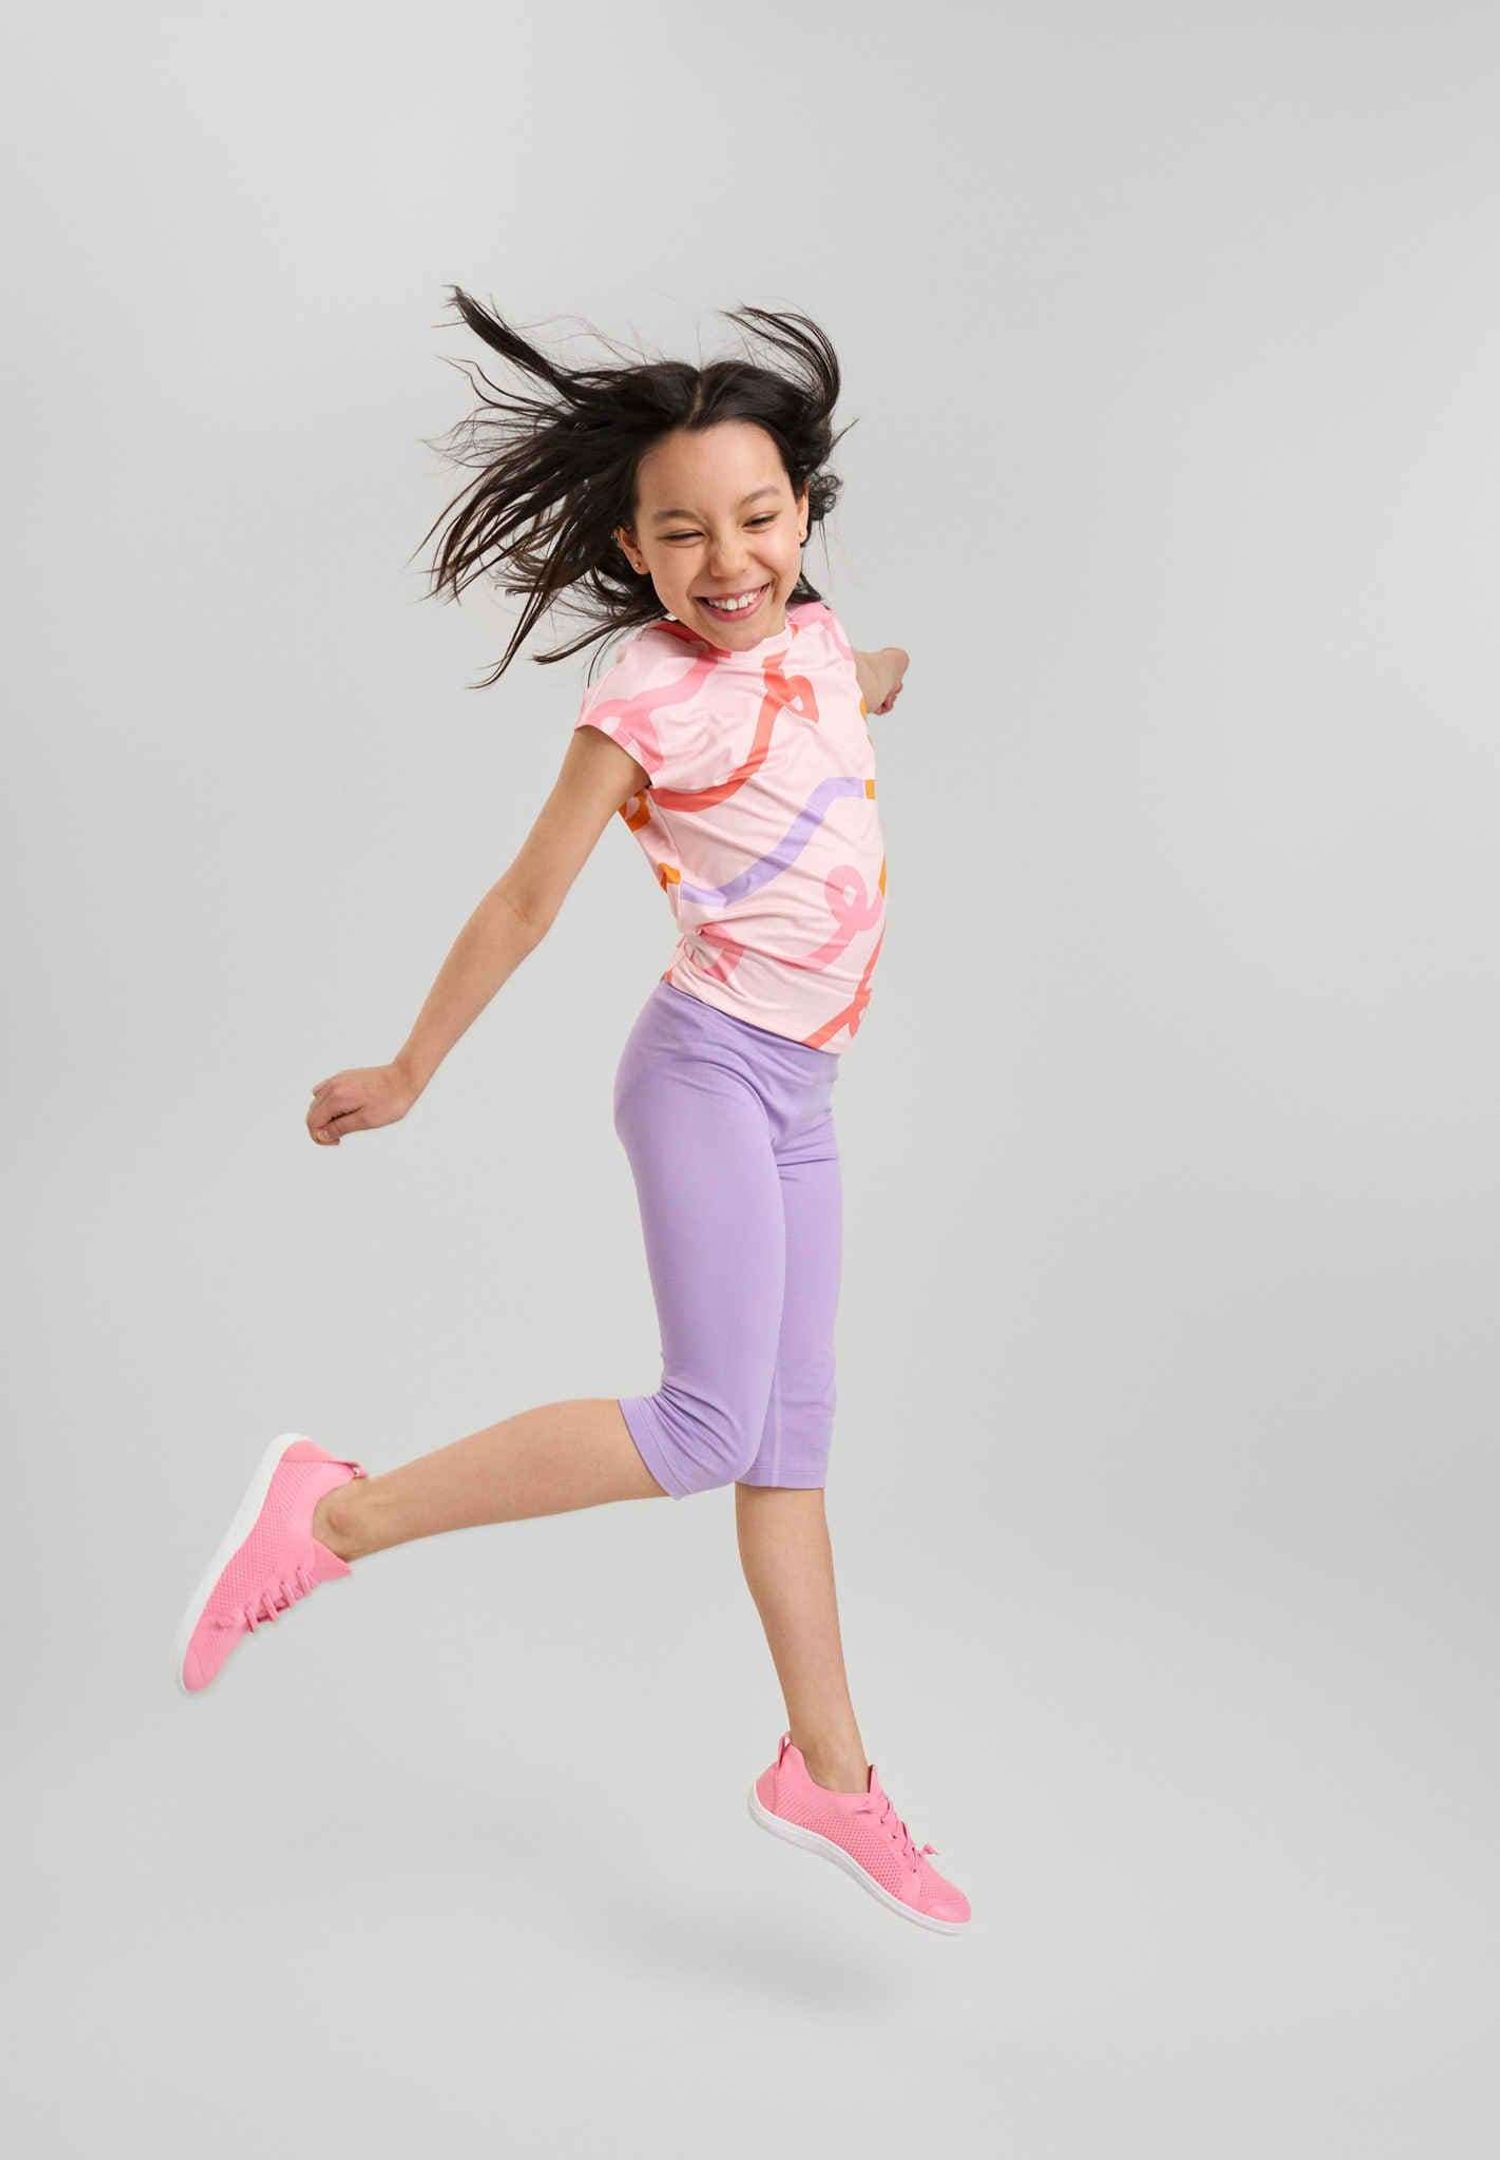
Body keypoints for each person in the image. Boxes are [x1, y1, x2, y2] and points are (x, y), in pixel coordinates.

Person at [173, 291, 970, 1935]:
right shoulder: (644, 702)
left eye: (759, 519)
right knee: (706, 1428)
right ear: (632, 548)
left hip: (804, 1097)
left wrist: (888, 671)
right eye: (684, 534)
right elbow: (526, 900)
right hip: (707, 1074)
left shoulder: (821, 642)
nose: (729, 561)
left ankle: (828, 1775)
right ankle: (331, 1509)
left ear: (803, 516)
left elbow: (857, 676)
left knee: (789, 1444)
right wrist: (410, 1068)